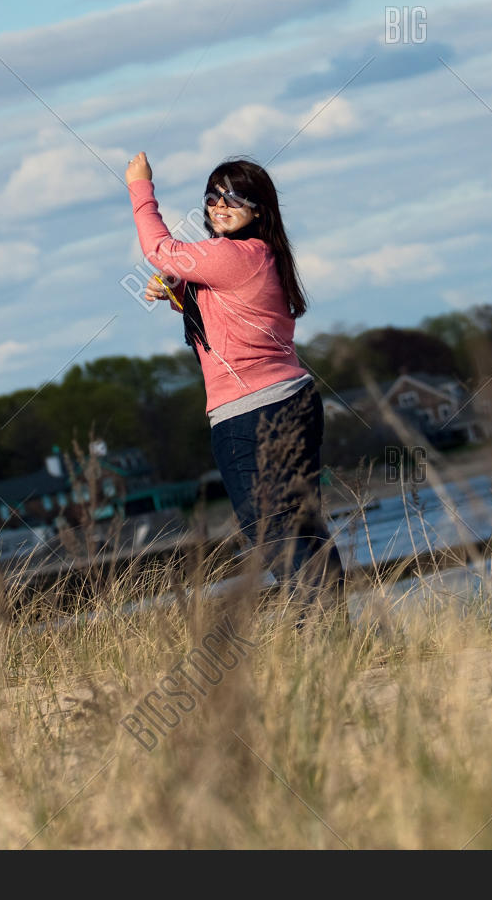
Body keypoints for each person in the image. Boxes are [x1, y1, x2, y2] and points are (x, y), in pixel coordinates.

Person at [124, 150, 345, 621]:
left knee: (272, 531)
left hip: (250, 413)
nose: (219, 205)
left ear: (258, 208)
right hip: (293, 401)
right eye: (212, 196)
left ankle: (323, 632)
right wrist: (177, 293)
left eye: (234, 197)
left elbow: (161, 251)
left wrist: (141, 188)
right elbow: (231, 322)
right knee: (301, 524)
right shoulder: (261, 256)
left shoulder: (233, 254)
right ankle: (335, 631)